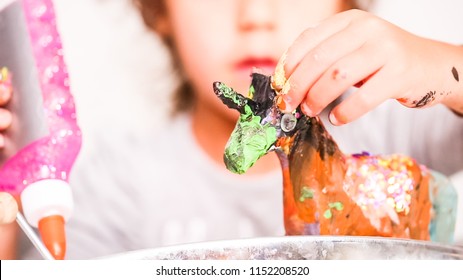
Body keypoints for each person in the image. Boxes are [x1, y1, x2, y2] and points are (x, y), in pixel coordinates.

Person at [1, 0, 462, 259]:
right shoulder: (110, 185)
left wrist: (446, 67)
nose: (255, 14)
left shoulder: (404, 126)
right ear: (160, 10)